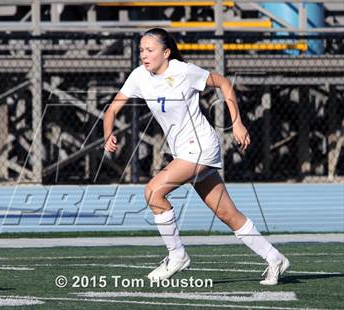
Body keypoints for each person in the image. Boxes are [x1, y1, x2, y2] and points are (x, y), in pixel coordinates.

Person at [103, 28, 289, 285]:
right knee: (227, 214)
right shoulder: (138, 76)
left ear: (166, 53)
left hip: (201, 146)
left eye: (150, 50)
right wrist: (108, 133)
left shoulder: (183, 71)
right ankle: (274, 257)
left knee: (153, 192)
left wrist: (237, 123)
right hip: (184, 151)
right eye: (141, 50)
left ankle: (177, 255)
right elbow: (111, 110)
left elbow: (223, 83)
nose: (144, 55)